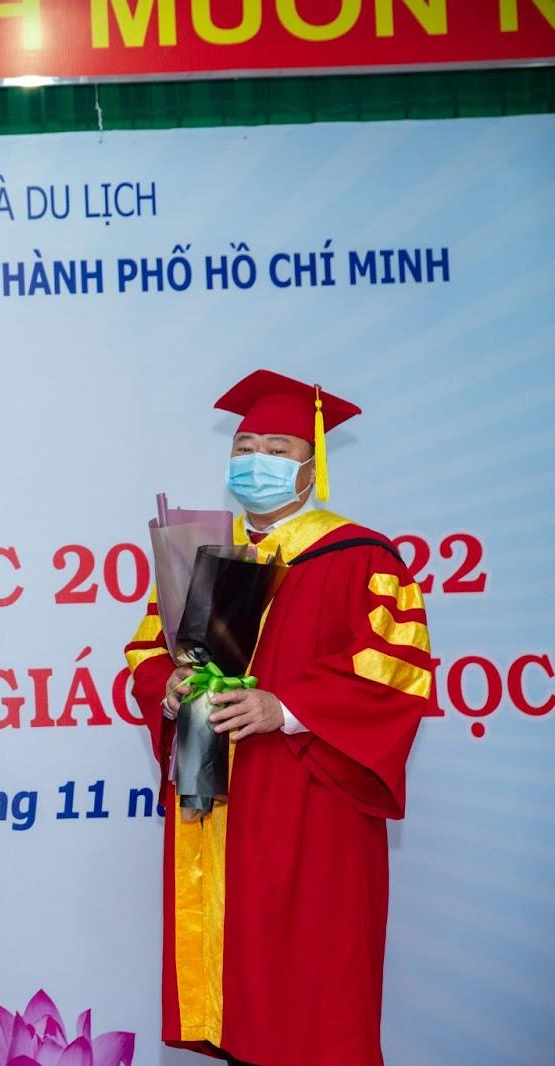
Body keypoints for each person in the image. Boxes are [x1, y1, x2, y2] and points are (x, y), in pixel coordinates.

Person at [123, 369, 437, 1066]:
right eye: (245, 448)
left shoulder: (361, 558)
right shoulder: (201, 557)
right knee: (236, 999)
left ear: (311, 466)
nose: (256, 460)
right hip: (214, 798)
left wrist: (286, 707)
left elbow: (396, 675)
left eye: (277, 449)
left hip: (308, 805)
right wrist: (168, 686)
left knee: (312, 997)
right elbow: (146, 654)